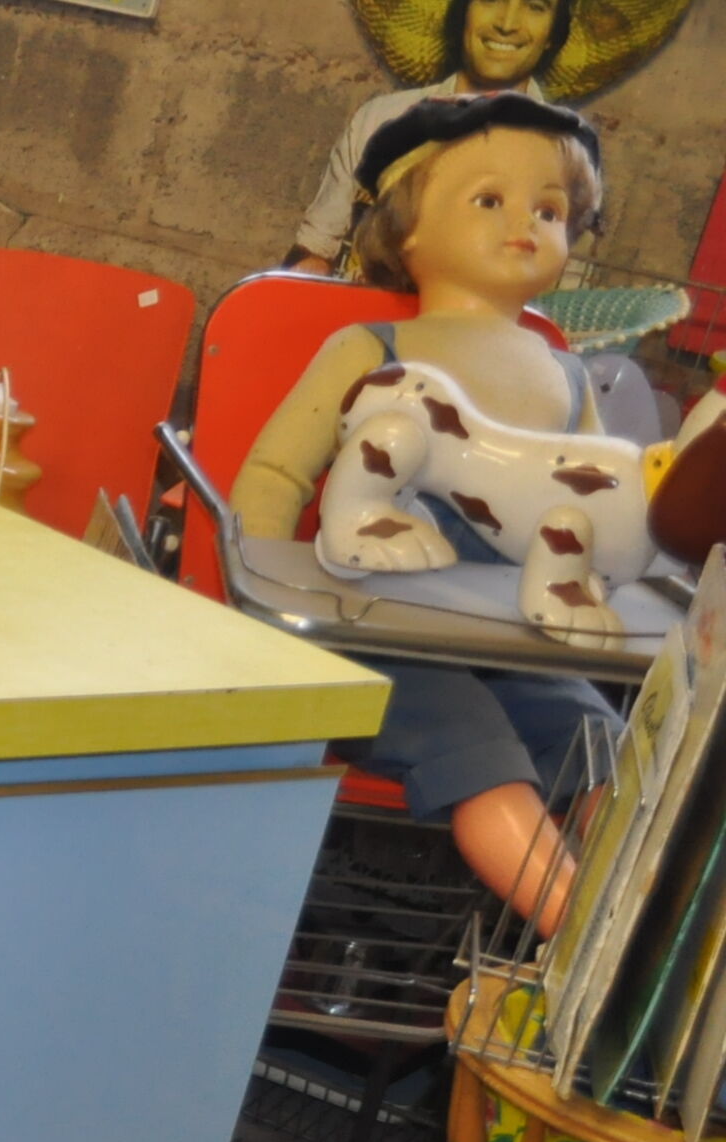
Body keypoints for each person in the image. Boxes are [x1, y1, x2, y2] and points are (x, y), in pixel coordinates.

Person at [236, 94, 614, 929]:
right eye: (490, 201)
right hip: (387, 633)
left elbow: (601, 500)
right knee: (473, 749)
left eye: (549, 210)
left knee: (601, 745)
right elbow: (273, 476)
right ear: (407, 227)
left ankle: (649, 940)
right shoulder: (373, 351)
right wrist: (265, 608)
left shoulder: (572, 379)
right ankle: (585, 942)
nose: (525, 224)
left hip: (518, 634)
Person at [285, 0, 574, 272]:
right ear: (464, 12)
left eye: (535, 6)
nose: (508, 23)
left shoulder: (566, 157)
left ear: (552, 33)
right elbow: (316, 250)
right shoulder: (381, 119)